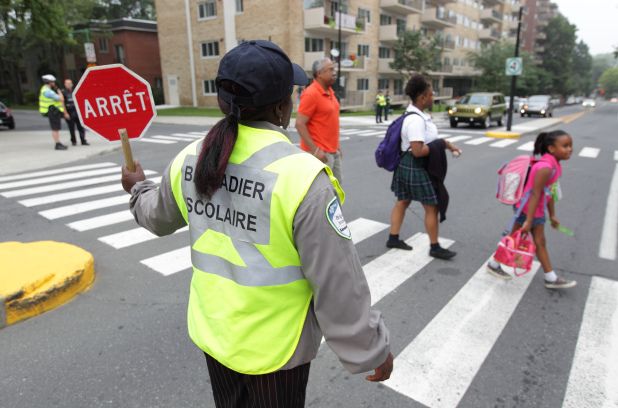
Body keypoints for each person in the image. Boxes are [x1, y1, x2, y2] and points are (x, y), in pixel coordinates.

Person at [120, 40, 393, 407]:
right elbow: (337, 281)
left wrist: (138, 187)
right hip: (276, 349)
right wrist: (370, 349)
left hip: (216, 334)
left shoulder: (191, 158)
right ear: (281, 108)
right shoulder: (302, 177)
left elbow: (156, 216)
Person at [487, 130, 576, 289]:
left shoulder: (555, 165)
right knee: (528, 241)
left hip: (535, 210)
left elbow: (549, 192)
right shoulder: (545, 168)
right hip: (529, 210)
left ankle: (495, 264)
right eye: (565, 146)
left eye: (570, 145)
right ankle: (550, 277)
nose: (569, 149)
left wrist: (552, 215)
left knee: (527, 240)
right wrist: (528, 220)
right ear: (551, 149)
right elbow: (535, 194)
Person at [387, 74, 461, 259]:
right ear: (422, 97)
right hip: (415, 165)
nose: (432, 97)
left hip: (407, 165)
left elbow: (425, 141)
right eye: (430, 94)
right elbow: (418, 150)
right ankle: (435, 248)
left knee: (402, 202)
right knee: (431, 207)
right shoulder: (416, 120)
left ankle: (393, 238)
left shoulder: (417, 116)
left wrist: (447, 145)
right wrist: (441, 144)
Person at [295, 58, 344, 184]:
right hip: (319, 153)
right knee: (321, 190)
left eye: (334, 69)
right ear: (319, 74)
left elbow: (328, 122)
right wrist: (315, 150)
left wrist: (336, 145)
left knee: (336, 188)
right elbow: (299, 124)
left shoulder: (330, 92)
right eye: (330, 70)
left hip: (332, 151)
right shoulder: (311, 94)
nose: (334, 73)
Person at [39, 74, 68, 150]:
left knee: (56, 128)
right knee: (55, 128)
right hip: (52, 111)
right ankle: (57, 144)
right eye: (53, 82)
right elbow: (61, 99)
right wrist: (58, 90)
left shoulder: (45, 89)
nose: (54, 83)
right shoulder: (48, 91)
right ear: (49, 82)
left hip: (52, 111)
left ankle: (58, 143)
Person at [61, 79, 89, 146]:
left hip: (77, 111)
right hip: (69, 111)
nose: (68, 85)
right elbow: (62, 103)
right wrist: (65, 113)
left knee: (81, 126)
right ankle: (73, 141)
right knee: (71, 127)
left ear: (72, 84)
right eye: (67, 83)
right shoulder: (63, 93)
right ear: (65, 84)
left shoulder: (75, 91)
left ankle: (83, 140)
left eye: (69, 83)